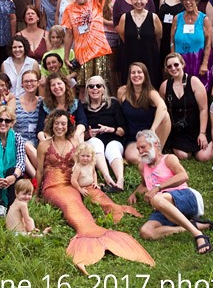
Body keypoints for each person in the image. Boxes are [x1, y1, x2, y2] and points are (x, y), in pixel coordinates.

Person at [36, 108, 153, 272]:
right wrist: (38, 194)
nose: (60, 127)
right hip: (55, 184)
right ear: (51, 124)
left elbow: (85, 163)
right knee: (72, 203)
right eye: (57, 124)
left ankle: (115, 210)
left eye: (63, 124)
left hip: (75, 178)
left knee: (97, 194)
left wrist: (94, 180)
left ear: (68, 125)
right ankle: (88, 235)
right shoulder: (44, 145)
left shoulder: (74, 142)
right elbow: (39, 171)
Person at [159, 53, 213, 162]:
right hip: (179, 130)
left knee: (203, 157)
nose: (173, 68)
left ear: (182, 64)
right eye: (169, 66)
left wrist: (202, 133)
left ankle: (210, 143)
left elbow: (203, 109)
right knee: (183, 156)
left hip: (197, 127)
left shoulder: (194, 82)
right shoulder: (165, 86)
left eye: (176, 64)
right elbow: (162, 110)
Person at [62, 0, 113, 84]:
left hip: (99, 51)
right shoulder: (69, 9)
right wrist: (66, 57)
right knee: (82, 86)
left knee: (101, 85)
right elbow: (69, 34)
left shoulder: (95, 1)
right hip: (82, 54)